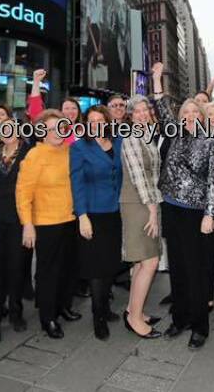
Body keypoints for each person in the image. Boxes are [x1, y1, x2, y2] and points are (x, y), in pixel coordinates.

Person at [152, 62, 214, 350]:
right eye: (185, 112)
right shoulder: (173, 133)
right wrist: (157, 78)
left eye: (195, 112)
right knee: (178, 269)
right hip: (171, 209)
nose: (190, 116)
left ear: (203, 116)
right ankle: (179, 319)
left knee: (196, 271)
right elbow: (161, 107)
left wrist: (210, 214)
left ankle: (199, 326)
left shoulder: (210, 142)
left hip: (196, 214)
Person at [17, 109, 81, 338]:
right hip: (46, 223)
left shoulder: (69, 150)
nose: (56, 132)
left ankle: (64, 306)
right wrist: (27, 224)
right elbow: (23, 193)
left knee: (68, 268)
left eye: (60, 127)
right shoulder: (35, 156)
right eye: (50, 128)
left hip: (70, 219)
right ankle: (48, 317)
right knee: (48, 272)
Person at [71, 106, 124, 340]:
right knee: (96, 268)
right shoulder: (79, 148)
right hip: (92, 215)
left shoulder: (119, 142)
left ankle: (105, 307)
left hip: (115, 212)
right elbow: (77, 183)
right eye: (91, 120)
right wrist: (82, 216)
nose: (95, 124)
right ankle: (98, 316)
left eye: (99, 120)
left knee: (110, 264)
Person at [0, 104, 32, 343]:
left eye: (11, 127)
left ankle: (16, 311)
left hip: (18, 220)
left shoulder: (28, 153)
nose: (7, 132)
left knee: (16, 268)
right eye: (2, 129)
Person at [120, 95, 164, 339]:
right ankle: (135, 319)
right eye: (136, 111)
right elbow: (139, 177)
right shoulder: (132, 136)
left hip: (146, 202)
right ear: (130, 115)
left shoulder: (146, 135)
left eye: (145, 109)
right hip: (139, 204)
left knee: (141, 262)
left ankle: (133, 309)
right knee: (150, 261)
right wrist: (152, 211)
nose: (141, 114)